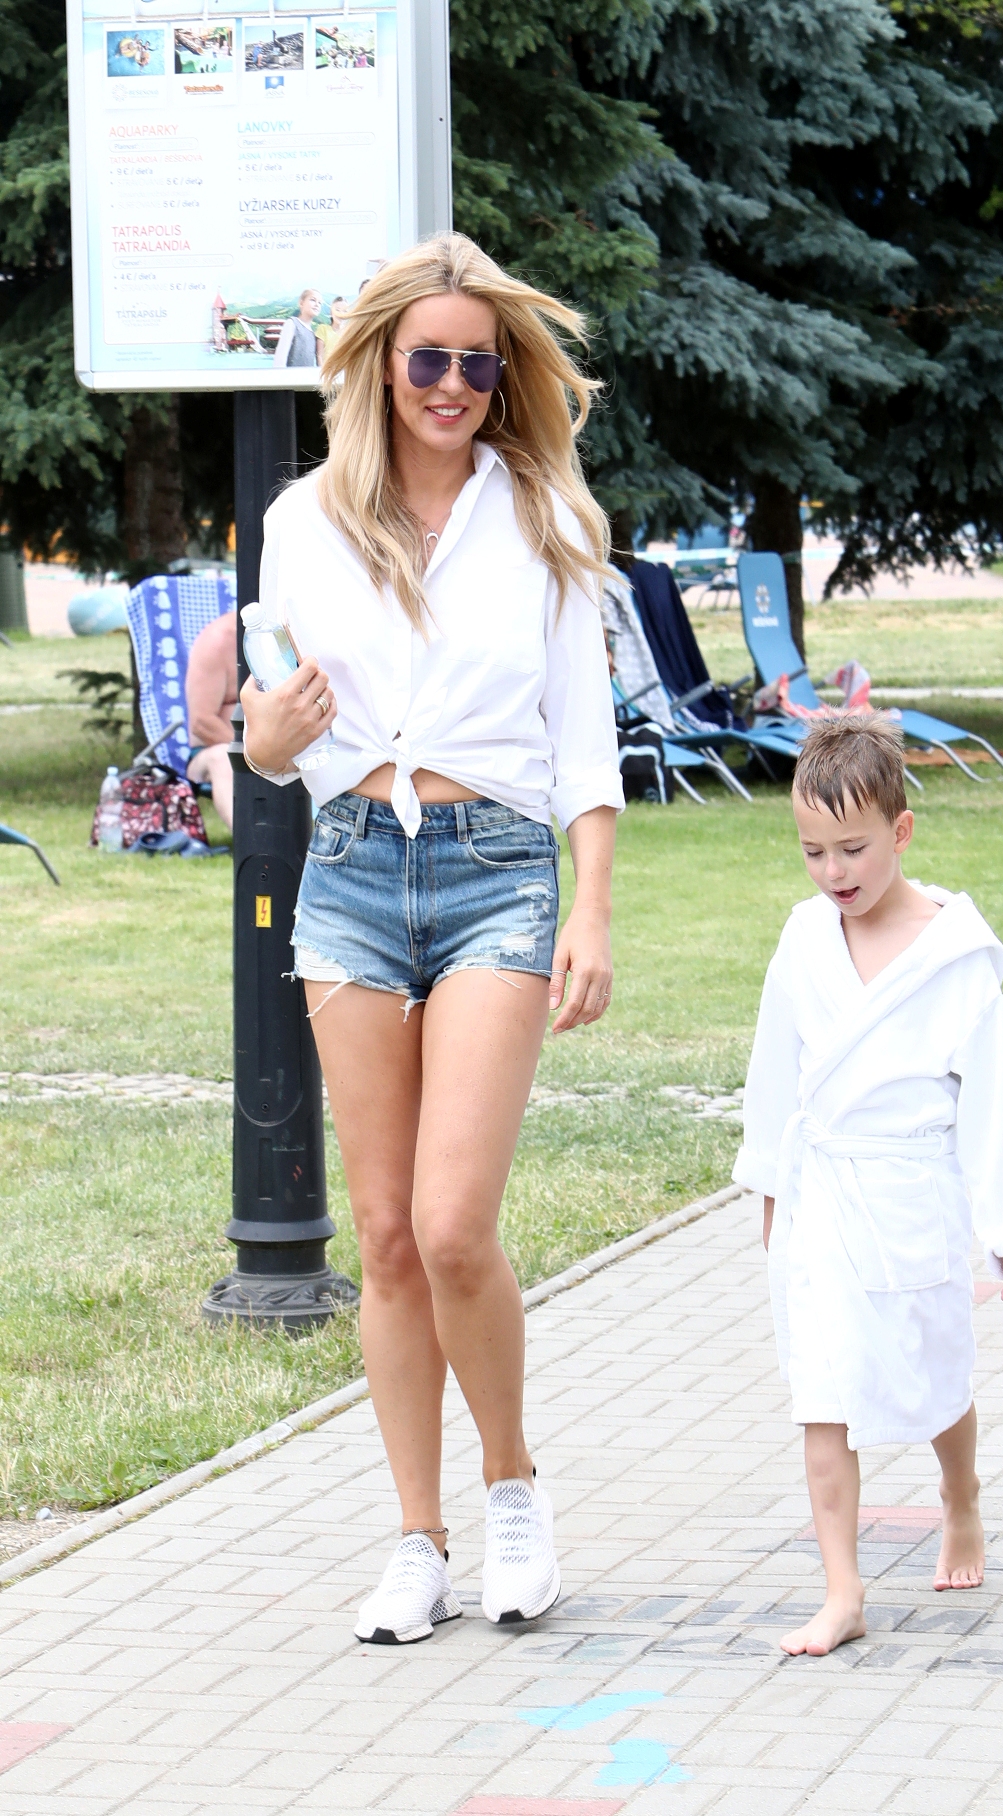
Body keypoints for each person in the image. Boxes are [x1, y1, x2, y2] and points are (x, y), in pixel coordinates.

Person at [240, 232, 623, 1646]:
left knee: (456, 1224)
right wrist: (266, 743)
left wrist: (591, 904)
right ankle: (418, 1538)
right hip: (349, 874)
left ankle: (513, 1492)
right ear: (380, 366)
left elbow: (584, 741)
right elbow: (268, 738)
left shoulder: (543, 518)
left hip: (497, 872)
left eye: (478, 361)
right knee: (389, 1236)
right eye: (428, 360)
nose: (453, 383)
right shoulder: (302, 523)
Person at [733, 715, 1003, 1657]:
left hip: (913, 1189)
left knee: (935, 1370)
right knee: (822, 1390)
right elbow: (774, 1069)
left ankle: (962, 1494)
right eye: (813, 852)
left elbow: (988, 1100)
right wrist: (771, 1187)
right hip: (825, 1191)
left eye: (853, 849)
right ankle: (843, 1589)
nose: (834, 872)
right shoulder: (804, 939)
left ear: (901, 832)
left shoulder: (956, 957)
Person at [184, 609, 237, 832]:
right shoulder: (219, 641)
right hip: (213, 750)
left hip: (278, 748)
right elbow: (202, 723)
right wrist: (252, 753)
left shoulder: (289, 636)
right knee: (222, 758)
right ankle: (250, 843)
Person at [272, 289, 322, 367]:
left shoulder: (312, 333)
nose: (317, 304)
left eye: (319, 303)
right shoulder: (292, 323)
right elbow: (280, 357)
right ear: (301, 303)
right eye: (313, 300)